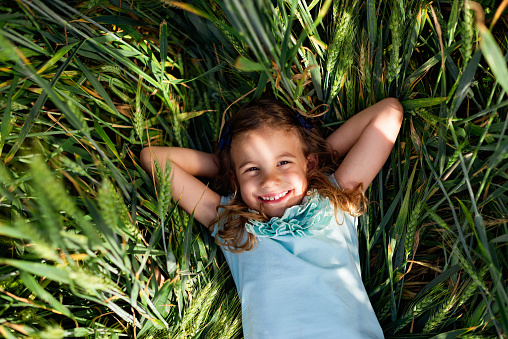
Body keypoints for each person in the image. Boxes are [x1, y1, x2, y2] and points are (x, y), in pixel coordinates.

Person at [140, 96, 403, 338]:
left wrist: (316, 156)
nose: (270, 180)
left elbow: (389, 112)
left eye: (283, 162)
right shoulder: (233, 225)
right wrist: (227, 168)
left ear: (309, 164)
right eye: (253, 169)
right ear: (235, 180)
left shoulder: (336, 200)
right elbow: (153, 158)